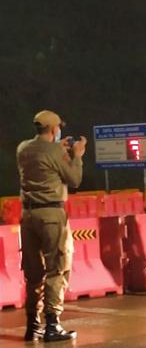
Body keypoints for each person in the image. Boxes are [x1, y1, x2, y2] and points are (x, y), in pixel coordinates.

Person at [17, 110, 85, 342]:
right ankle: (52, 325)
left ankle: (32, 324)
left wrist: (59, 150)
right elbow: (74, 179)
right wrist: (76, 155)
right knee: (57, 267)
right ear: (55, 129)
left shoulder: (23, 148)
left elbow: (43, 158)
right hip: (52, 214)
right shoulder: (56, 151)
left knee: (33, 272)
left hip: (27, 215)